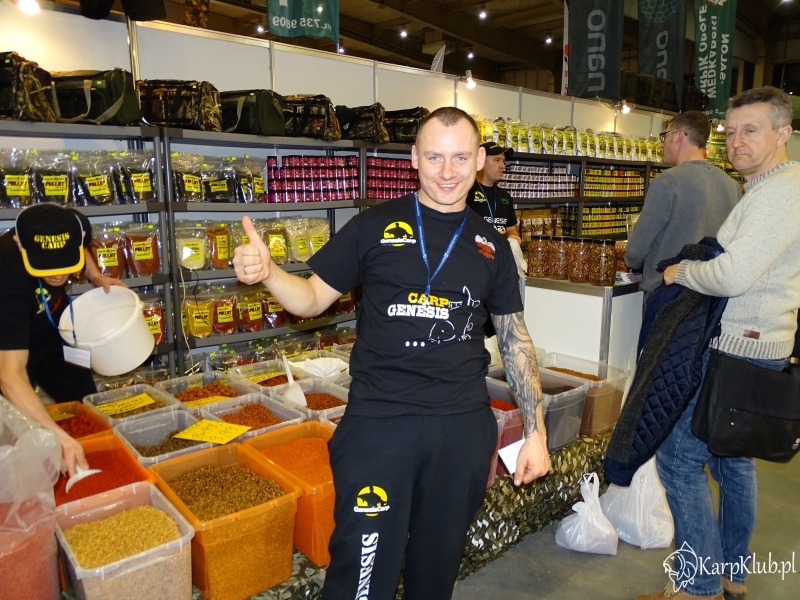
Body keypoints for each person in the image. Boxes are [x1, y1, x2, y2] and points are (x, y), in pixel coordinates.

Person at [233, 107, 550, 600]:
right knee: (362, 576)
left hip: (460, 430)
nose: (447, 171)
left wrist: (536, 432)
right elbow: (311, 299)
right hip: (379, 427)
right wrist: (270, 273)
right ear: (414, 158)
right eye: (435, 157)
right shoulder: (373, 226)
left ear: (479, 159)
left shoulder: (491, 245)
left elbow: (514, 340)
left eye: (460, 157)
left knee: (435, 573)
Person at [639, 87, 800, 600]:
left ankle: (698, 586)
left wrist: (681, 271)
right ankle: (731, 574)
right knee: (733, 459)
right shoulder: (764, 187)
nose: (736, 141)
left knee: (678, 461)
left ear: (783, 132)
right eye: (730, 132)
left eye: (750, 130)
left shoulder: (780, 193)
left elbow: (733, 275)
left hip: (739, 348)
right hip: (760, 345)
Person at [0, 204, 125, 476]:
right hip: (8, 344)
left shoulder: (70, 225)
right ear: (21, 245)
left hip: (48, 328)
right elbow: (10, 373)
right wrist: (57, 435)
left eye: (65, 264)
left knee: (82, 395)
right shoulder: (6, 275)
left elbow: (82, 245)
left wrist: (95, 276)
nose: (58, 275)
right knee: (13, 433)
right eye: (47, 266)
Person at [625, 110, 741, 303]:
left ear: (678, 135)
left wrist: (631, 261)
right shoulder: (731, 185)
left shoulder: (667, 181)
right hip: (709, 295)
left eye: (664, 136)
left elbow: (636, 250)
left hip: (666, 294)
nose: (662, 144)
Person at [466, 141, 521, 244]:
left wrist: (513, 236)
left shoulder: (505, 196)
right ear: (481, 160)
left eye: (503, 161)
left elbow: (511, 228)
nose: (503, 166)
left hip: (499, 252)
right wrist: (489, 236)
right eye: (497, 160)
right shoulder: (465, 192)